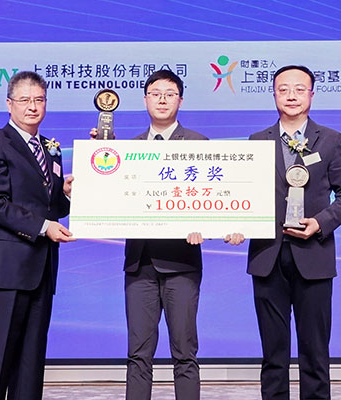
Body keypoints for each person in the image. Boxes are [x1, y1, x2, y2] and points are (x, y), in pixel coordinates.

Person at [90, 69, 246, 400]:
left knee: (185, 352)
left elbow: (216, 198)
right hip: (140, 265)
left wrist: (223, 227)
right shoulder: (127, 149)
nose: (162, 100)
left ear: (181, 101)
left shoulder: (199, 144)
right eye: (156, 93)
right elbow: (110, 198)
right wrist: (98, 160)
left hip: (182, 265)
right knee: (138, 354)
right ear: (145, 100)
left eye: (170, 94)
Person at [245, 65, 341, 400]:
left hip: (314, 256)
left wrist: (320, 223)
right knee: (273, 353)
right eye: (283, 89)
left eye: (299, 89)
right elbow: (243, 195)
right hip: (267, 256)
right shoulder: (256, 142)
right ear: (274, 94)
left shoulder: (332, 140)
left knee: (315, 353)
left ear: (311, 94)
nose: (291, 96)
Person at [0, 70, 75, 400]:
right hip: (5, 271)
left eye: (39, 100)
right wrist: (44, 227)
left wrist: (66, 195)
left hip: (41, 270)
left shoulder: (51, 148)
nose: (33, 106)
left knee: (30, 367)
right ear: (9, 103)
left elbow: (51, 206)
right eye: (25, 100)